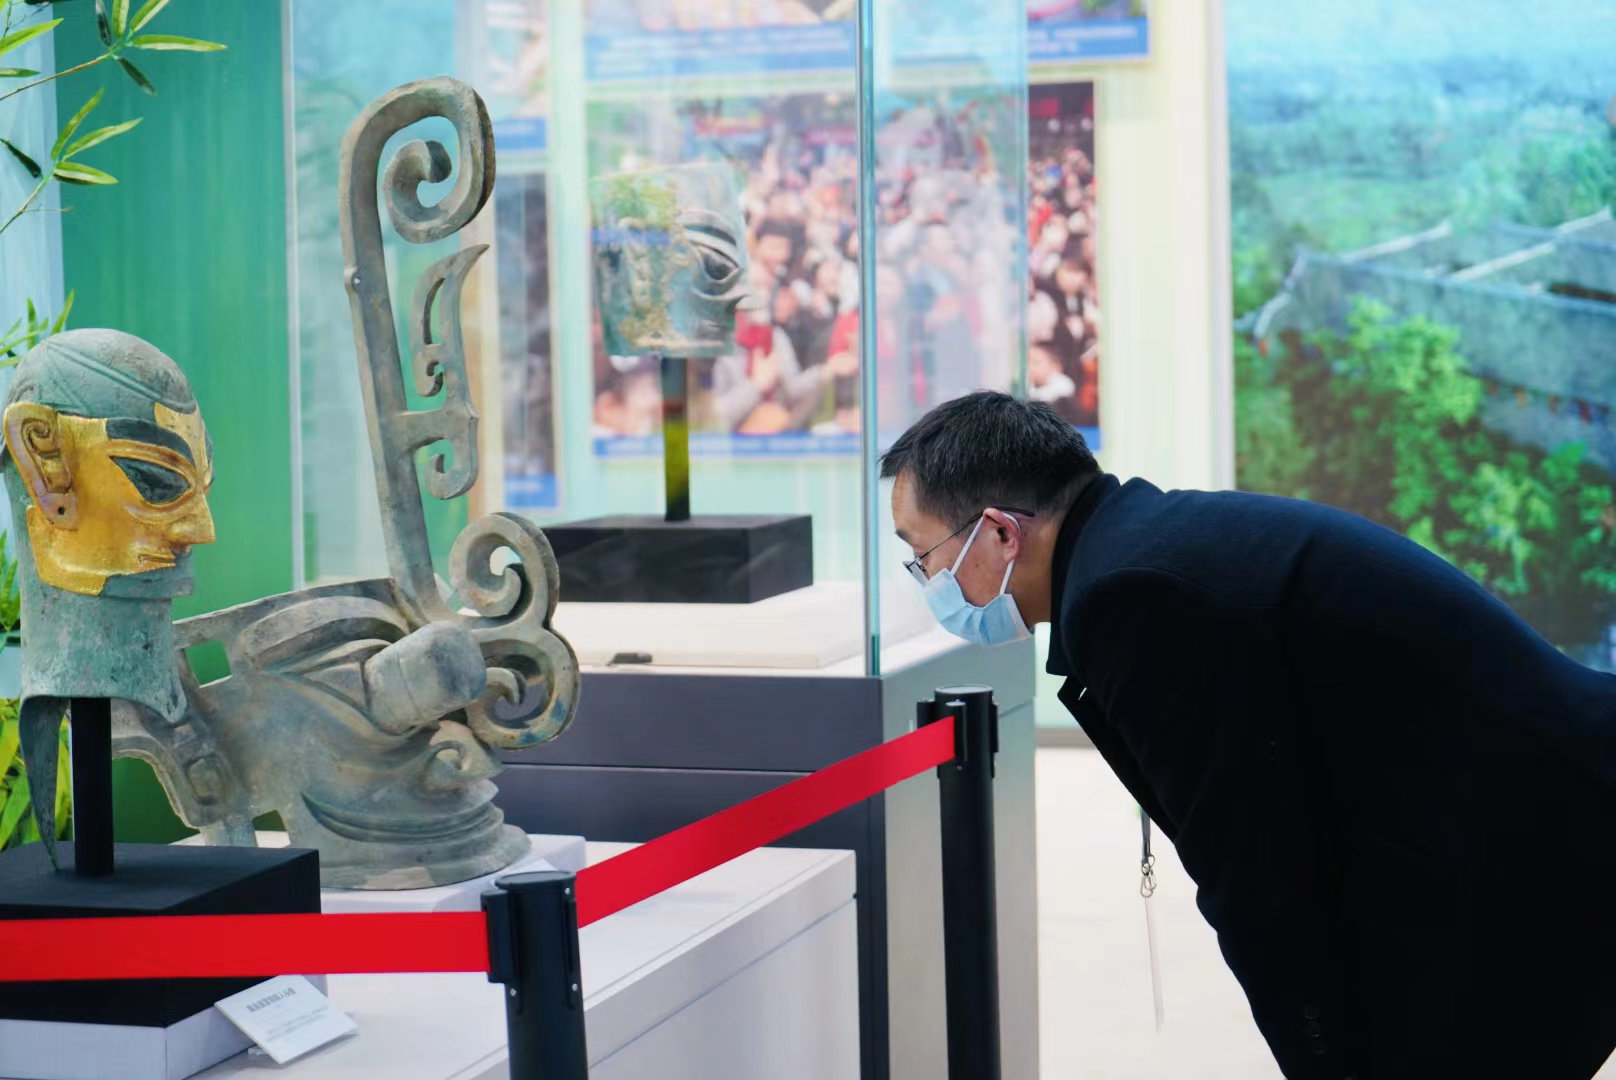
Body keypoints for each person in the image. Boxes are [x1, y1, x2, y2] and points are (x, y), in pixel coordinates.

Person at [882, 391, 1616, 1080]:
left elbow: (1255, 872)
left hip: (1550, 846)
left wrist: (1324, 1060)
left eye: (924, 556)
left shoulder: (1130, 595)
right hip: (1535, 819)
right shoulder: (1139, 545)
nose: (929, 582)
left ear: (1001, 532)